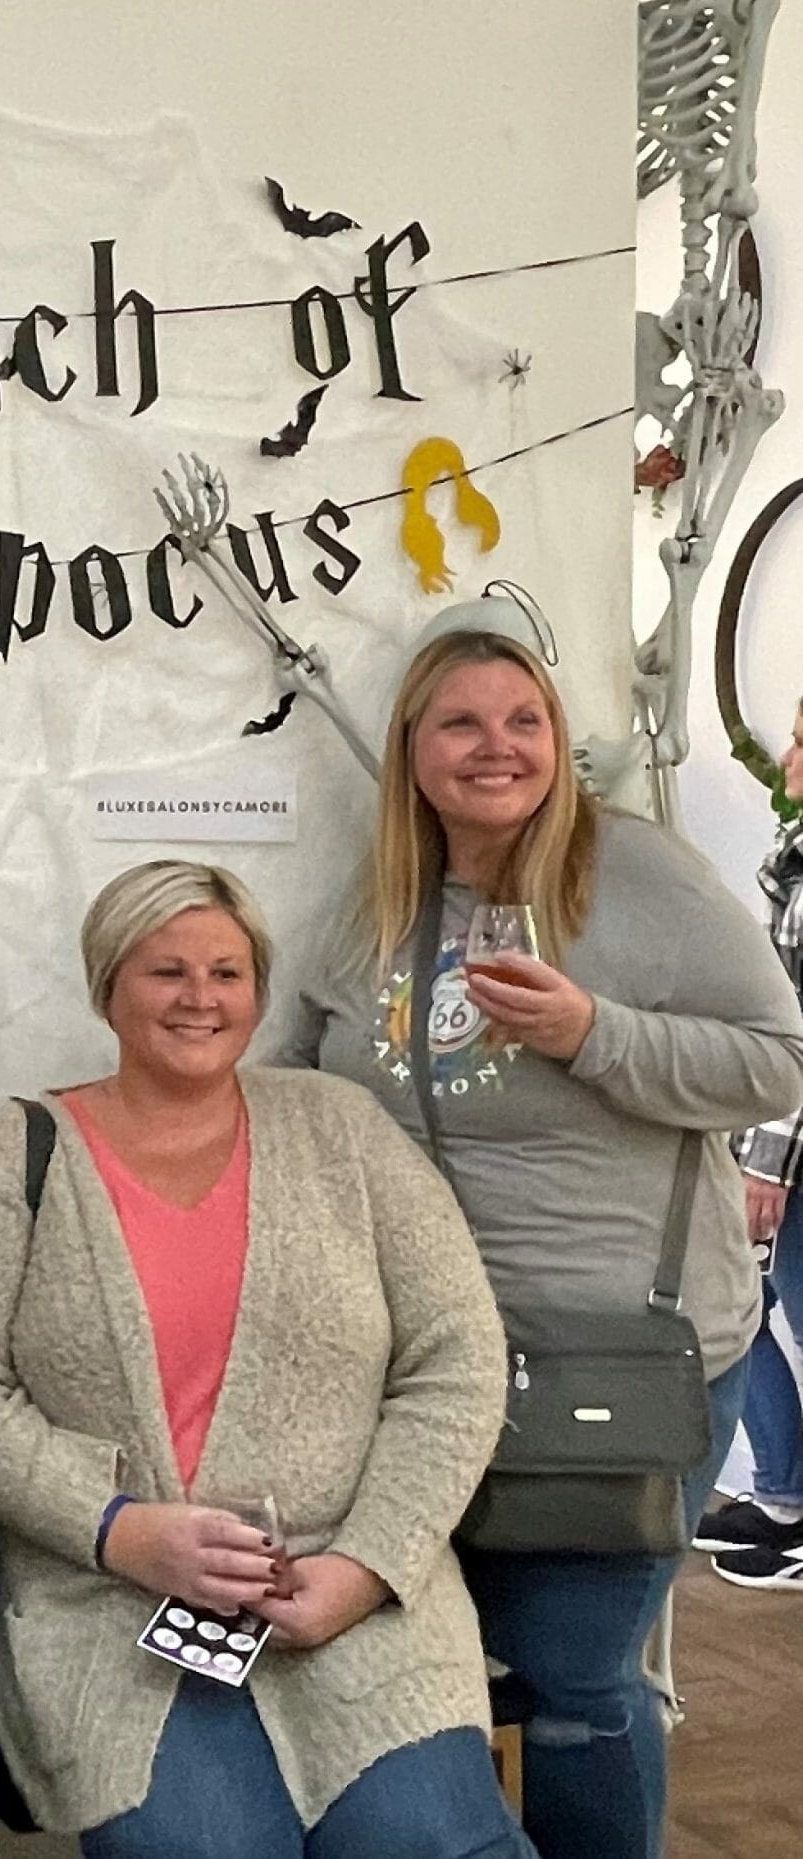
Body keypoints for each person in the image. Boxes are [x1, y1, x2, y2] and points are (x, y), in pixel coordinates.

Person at [285, 629, 803, 1859]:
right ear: (412, 749)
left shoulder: (638, 871)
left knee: (571, 1678)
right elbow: (312, 1071)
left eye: (525, 719)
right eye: (462, 722)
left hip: (619, 1358)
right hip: (434, 1367)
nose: (498, 747)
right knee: (467, 1663)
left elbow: (779, 1060)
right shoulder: (382, 899)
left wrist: (593, 1032)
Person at [0, 861, 531, 1859]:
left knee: (432, 1840)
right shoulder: (16, 1155)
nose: (199, 996)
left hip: (352, 1596)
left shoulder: (343, 1129)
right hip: (116, 1609)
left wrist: (366, 1565)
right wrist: (117, 1528)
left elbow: (457, 1357)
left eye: (227, 972)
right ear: (108, 985)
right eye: (167, 970)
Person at [702, 694, 803, 1587]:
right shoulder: (793, 857)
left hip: (790, 1144)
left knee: (757, 1307)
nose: (791, 758)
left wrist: (767, 1163)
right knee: (744, 1308)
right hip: (775, 1134)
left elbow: (797, 1030)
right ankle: (783, 1496)